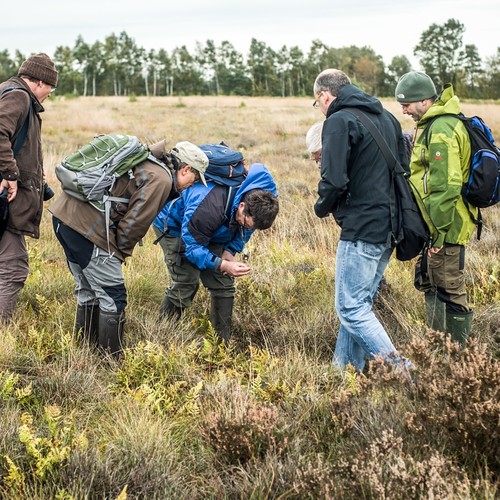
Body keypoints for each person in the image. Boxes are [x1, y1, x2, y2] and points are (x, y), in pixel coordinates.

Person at [50, 140, 208, 358]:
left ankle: (85, 353)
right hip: (86, 228)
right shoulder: (161, 179)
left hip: (63, 217)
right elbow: (134, 224)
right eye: (196, 178)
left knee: (89, 291)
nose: (195, 184)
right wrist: (118, 254)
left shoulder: (149, 162)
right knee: (114, 298)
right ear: (186, 169)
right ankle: (111, 361)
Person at [312, 68, 410, 372]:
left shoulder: (338, 121)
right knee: (358, 304)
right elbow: (403, 167)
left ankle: (406, 373)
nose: (321, 107)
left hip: (362, 228)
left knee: (351, 307)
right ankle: (343, 371)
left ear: (324, 96)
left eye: (318, 102)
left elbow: (335, 179)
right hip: (391, 226)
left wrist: (321, 206)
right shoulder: (388, 118)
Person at [152, 162, 279, 343]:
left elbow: (248, 228)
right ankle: (159, 336)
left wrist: (230, 251)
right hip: (174, 225)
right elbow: (192, 248)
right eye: (244, 221)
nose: (246, 227)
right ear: (242, 205)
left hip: (214, 227)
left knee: (223, 283)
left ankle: (221, 344)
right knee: (187, 280)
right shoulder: (210, 206)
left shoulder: (262, 198)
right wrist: (222, 264)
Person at [395, 71, 476, 343]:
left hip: (447, 226)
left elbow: (446, 186)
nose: (403, 109)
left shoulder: (441, 129)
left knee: (450, 288)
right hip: (436, 225)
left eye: (406, 103)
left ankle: (458, 362)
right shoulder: (433, 124)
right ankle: (438, 352)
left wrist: (439, 233)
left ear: (424, 101)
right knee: (432, 282)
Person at [0, 53, 58, 321]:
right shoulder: (19, 96)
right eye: (51, 87)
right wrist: (10, 172)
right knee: (13, 268)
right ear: (40, 82)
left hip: (8, 196)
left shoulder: (9, 92)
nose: (49, 94)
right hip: (6, 198)